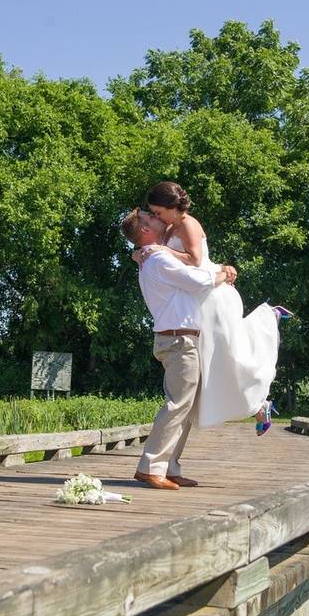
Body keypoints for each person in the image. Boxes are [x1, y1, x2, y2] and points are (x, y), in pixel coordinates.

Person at [138, 181, 291, 435]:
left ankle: (267, 317)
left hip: (212, 297)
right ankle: (258, 406)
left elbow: (196, 260)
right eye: (153, 213)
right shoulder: (170, 226)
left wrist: (159, 250)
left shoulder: (188, 223)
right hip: (197, 301)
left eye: (158, 212)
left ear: (173, 207)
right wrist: (144, 251)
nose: (156, 216)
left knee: (231, 357)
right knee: (218, 365)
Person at [120, 207, 236, 490]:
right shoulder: (157, 257)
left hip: (178, 338)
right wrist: (225, 274)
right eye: (151, 218)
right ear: (145, 231)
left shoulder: (151, 257)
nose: (158, 219)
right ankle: (150, 466)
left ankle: (169, 467)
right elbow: (197, 281)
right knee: (177, 404)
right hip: (179, 340)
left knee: (184, 407)